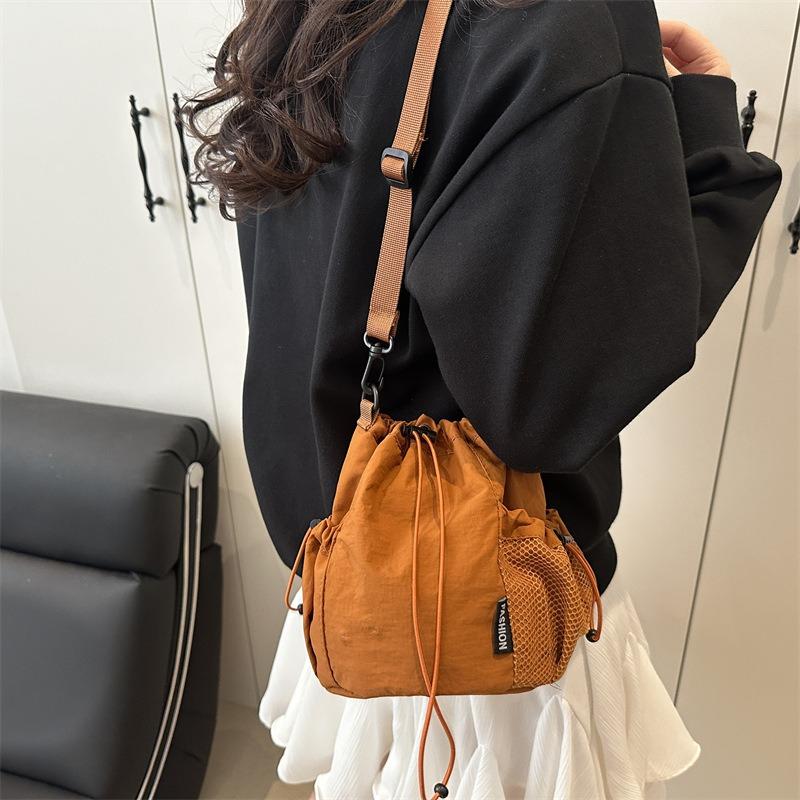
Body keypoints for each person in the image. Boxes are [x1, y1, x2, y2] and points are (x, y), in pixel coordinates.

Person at [186, 1, 781, 797]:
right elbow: (548, 405)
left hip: (345, 563)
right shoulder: (567, 18)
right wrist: (711, 144)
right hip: (491, 607)